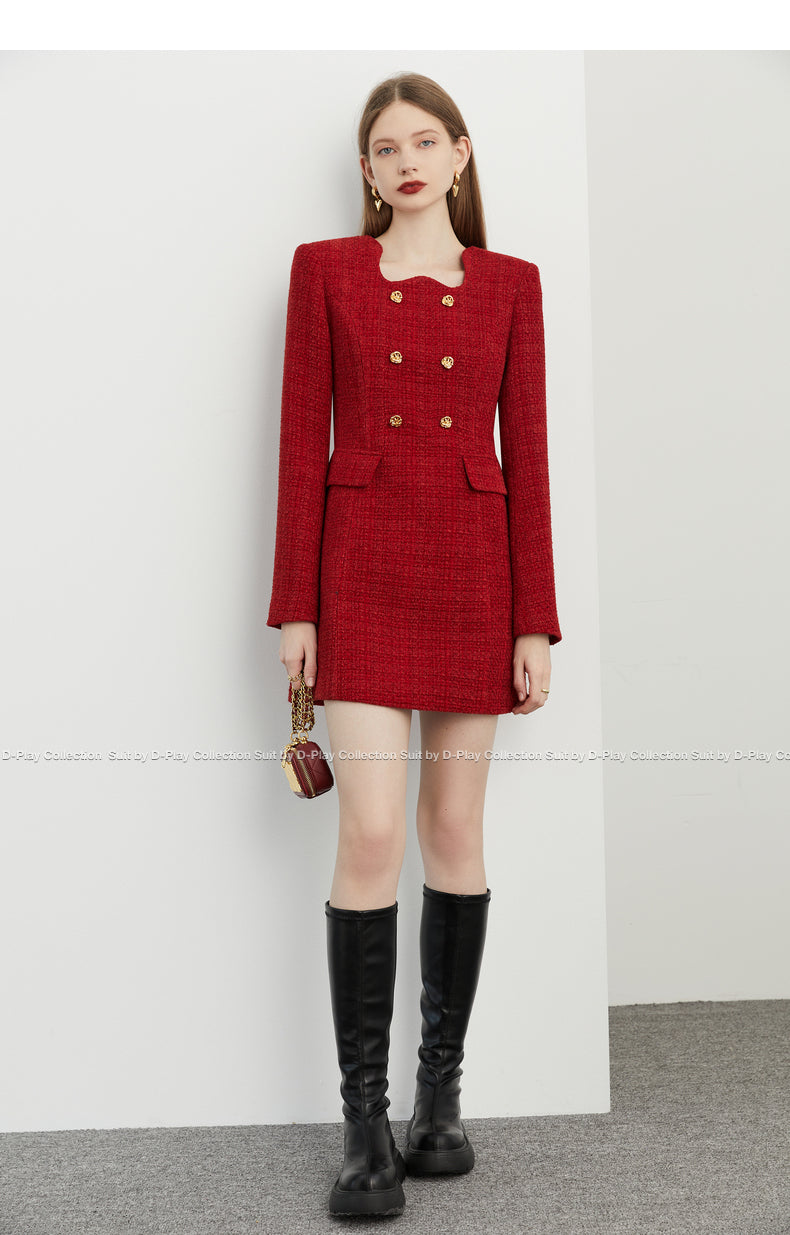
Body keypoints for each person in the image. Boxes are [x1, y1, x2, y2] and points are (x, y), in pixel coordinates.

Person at [266, 70, 562, 1218]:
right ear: (366, 170)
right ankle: (364, 1123)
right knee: (373, 828)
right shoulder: (324, 272)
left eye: (424, 141)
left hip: (474, 576)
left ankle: (439, 1100)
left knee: (452, 828)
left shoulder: (511, 285)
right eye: (385, 148)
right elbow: (301, 440)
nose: (406, 162)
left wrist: (534, 618)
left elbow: (527, 454)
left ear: (460, 153)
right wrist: (296, 606)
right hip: (360, 574)